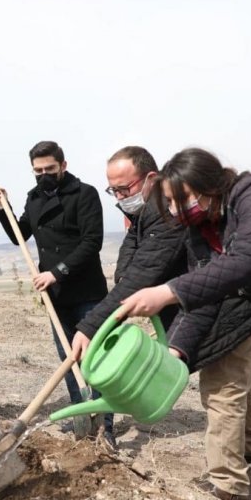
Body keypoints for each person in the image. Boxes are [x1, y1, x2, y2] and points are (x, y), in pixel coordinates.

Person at [119, 148, 251, 458]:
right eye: (170, 203)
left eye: (181, 198)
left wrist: (168, 291)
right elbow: (205, 295)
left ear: (210, 185)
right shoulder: (205, 231)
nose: (176, 210)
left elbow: (247, 262)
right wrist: (174, 352)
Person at [0, 141, 115, 448]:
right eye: (38, 171)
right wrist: (0, 208)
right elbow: (18, 233)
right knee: (67, 360)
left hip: (85, 289)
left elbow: (91, 242)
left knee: (95, 358)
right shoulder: (34, 199)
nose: (44, 175)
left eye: (50, 169)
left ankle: (105, 427)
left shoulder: (84, 194)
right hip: (55, 295)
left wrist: (57, 270)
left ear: (63, 165)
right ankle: (81, 422)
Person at [71, 146, 187, 359]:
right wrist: (123, 274)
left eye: (124, 189)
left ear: (150, 178)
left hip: (216, 313)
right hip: (195, 313)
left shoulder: (166, 211)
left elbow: (142, 275)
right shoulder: (145, 211)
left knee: (224, 387)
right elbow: (132, 241)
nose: (120, 196)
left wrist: (91, 326)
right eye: (113, 190)